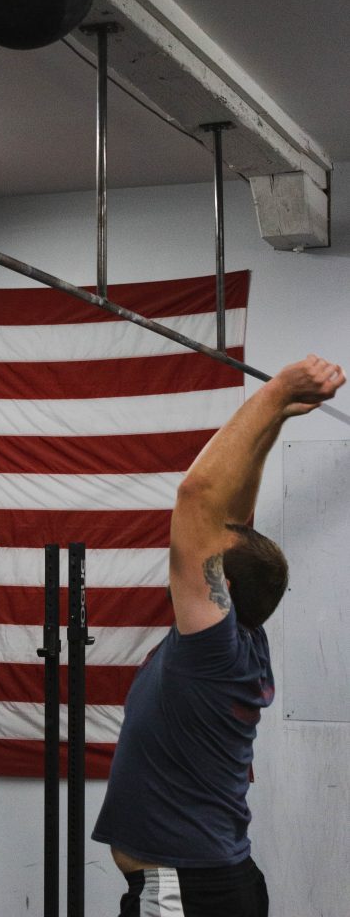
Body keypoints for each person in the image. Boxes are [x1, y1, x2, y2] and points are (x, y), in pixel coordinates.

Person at [92, 354, 346, 916]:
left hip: (185, 893)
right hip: (211, 882)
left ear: (221, 585)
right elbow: (234, 522)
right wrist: (275, 419)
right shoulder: (239, 641)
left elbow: (197, 497)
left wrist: (277, 388)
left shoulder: (212, 654)